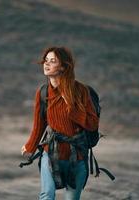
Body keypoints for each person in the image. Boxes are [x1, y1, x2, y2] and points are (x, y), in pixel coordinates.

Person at [21, 46, 99, 200]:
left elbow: (92, 124)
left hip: (76, 157)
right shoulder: (43, 93)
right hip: (50, 153)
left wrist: (71, 108)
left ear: (63, 67)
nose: (46, 64)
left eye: (53, 61)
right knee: (46, 195)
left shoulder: (81, 91)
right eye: (46, 60)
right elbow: (39, 124)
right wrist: (30, 145)